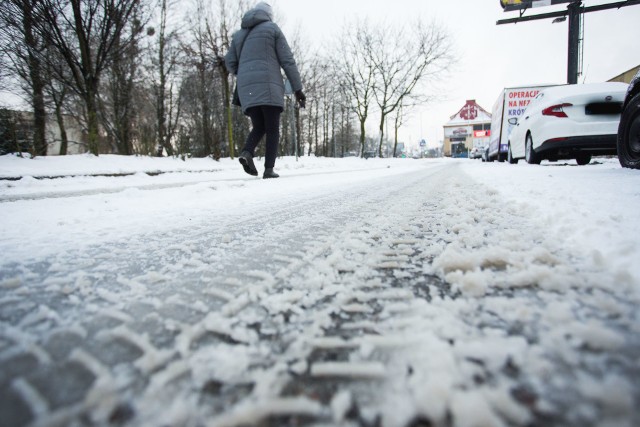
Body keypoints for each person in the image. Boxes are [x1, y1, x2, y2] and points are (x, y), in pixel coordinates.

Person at [225, 2, 306, 179]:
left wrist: (246, 72)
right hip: (269, 85)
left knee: (259, 126)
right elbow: (287, 60)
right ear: (269, 15)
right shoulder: (272, 29)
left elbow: (229, 62)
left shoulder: (238, 36)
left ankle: (247, 152)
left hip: (247, 88)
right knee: (272, 128)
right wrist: (298, 89)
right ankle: (269, 169)